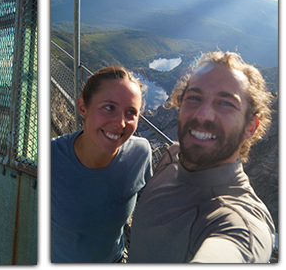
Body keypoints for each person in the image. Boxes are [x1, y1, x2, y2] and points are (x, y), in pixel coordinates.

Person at [127, 51, 275, 263]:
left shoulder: (240, 222)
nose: (203, 114)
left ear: (250, 126)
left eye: (225, 103)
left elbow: (237, 247)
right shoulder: (172, 155)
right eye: (194, 98)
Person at [51, 66, 152, 263]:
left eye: (131, 112)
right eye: (109, 107)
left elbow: (153, 212)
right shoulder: (51, 158)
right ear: (83, 108)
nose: (120, 123)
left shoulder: (140, 154)